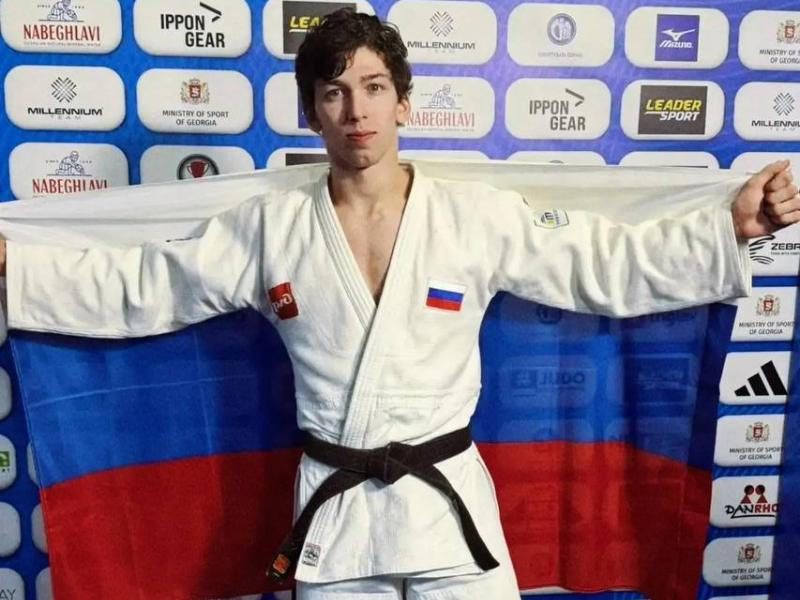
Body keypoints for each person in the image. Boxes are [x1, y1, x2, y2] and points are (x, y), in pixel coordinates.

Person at [0, 8, 798, 600]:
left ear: (404, 103)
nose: (357, 111)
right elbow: (143, 289)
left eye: (375, 88)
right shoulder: (267, 229)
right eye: (335, 92)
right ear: (312, 112)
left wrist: (730, 227)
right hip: (338, 520)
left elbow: (601, 265)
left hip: (450, 512)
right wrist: (18, 267)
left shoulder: (472, 217)